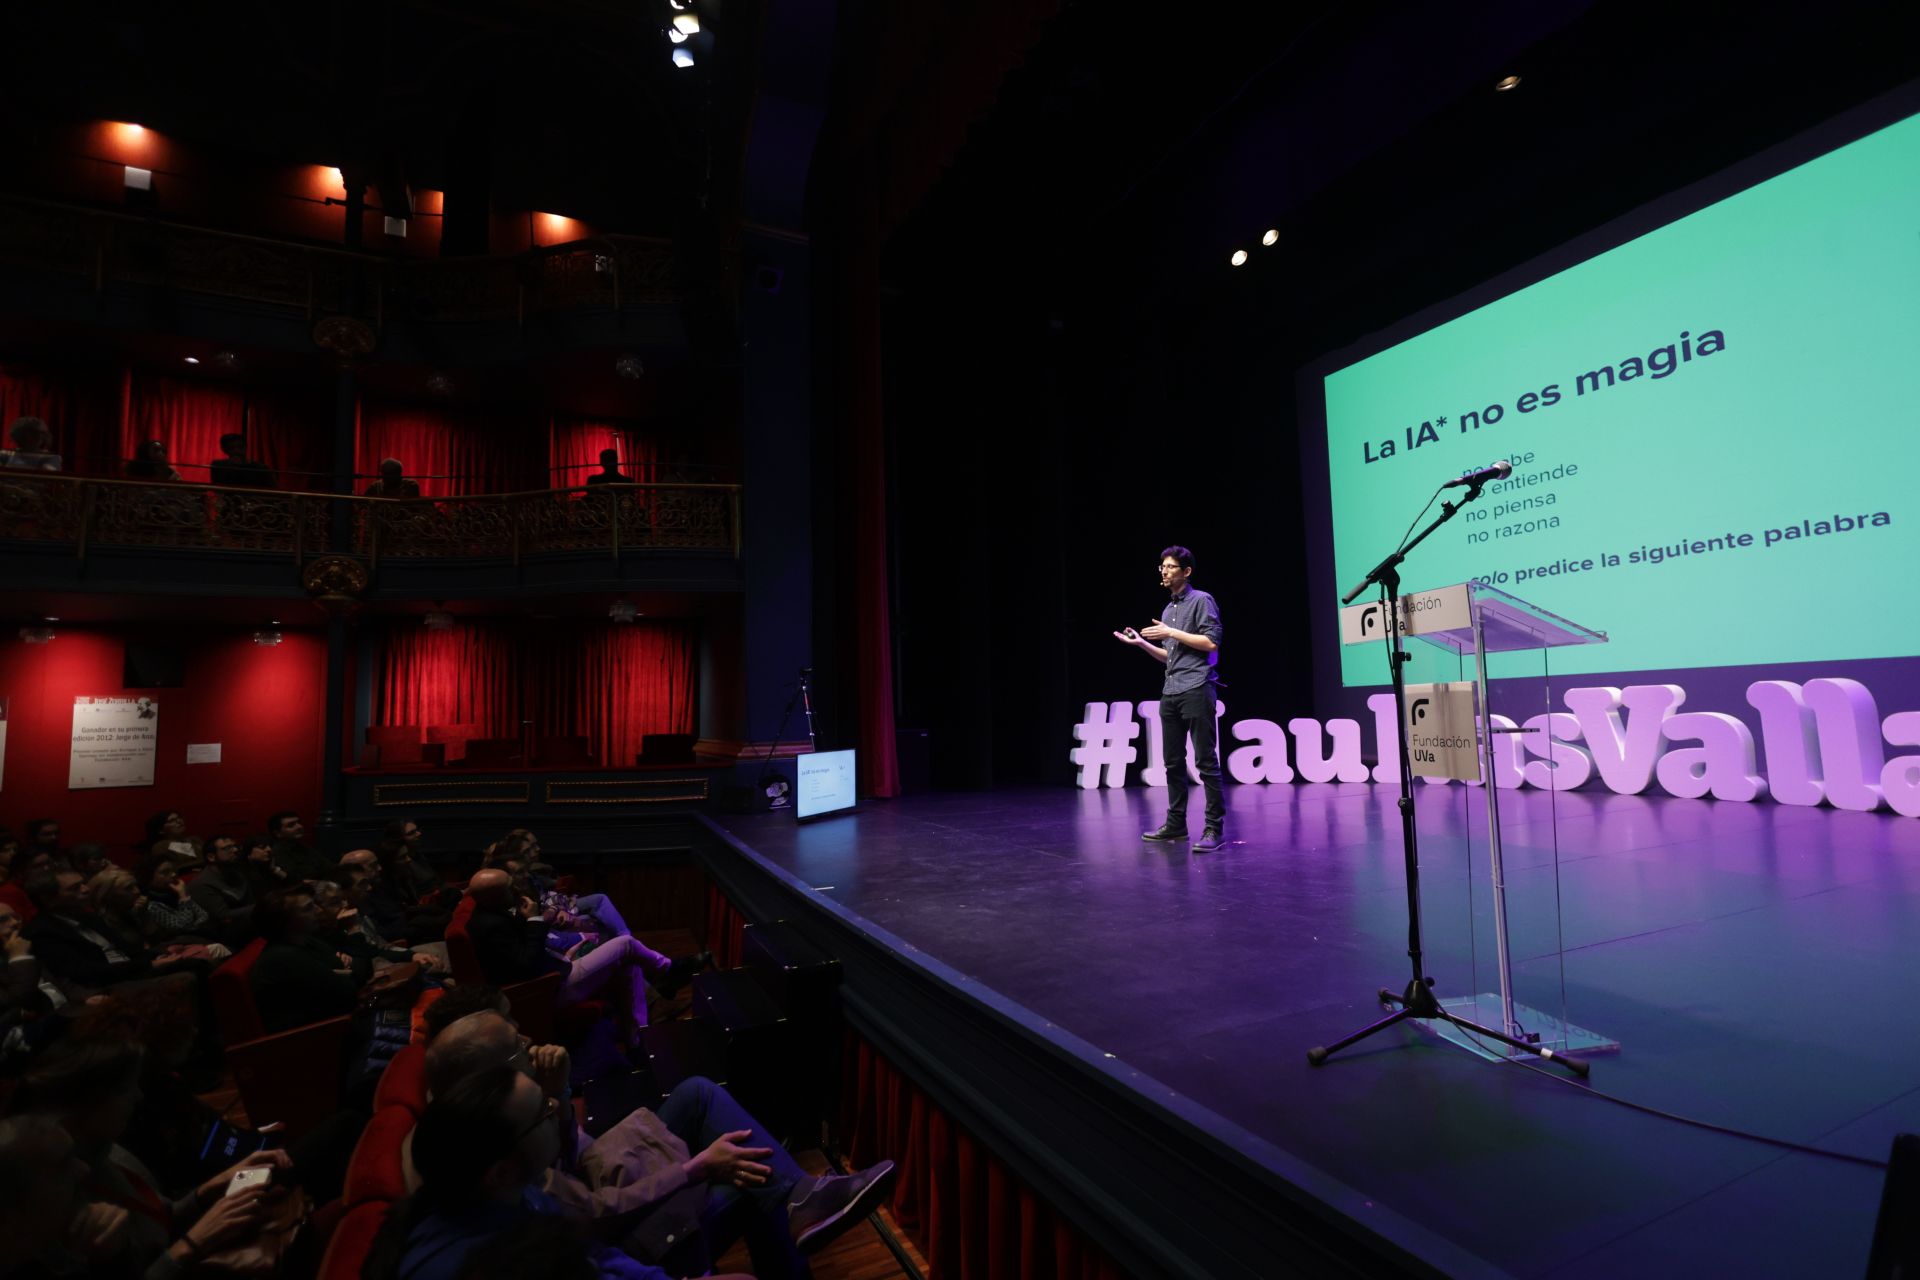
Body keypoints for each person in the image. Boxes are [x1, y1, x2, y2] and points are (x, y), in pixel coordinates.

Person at [422, 1014, 897, 1272]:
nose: (530, 1041)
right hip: (619, 1227)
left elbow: (569, 1156)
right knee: (750, 1179)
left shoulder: (483, 1125)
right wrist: (696, 1168)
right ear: (487, 1081)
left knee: (696, 1093)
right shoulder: (496, 1160)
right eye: (516, 1044)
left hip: (596, 1182)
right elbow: (597, 1215)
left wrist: (559, 1097)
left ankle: (799, 1198)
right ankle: (793, 1201)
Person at [366, 1066, 707, 1280]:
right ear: (500, 1172)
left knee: (698, 1094)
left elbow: (593, 1252)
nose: (555, 1109)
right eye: (543, 1112)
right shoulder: (497, 1266)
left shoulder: (510, 1190)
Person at [462, 870, 700, 1038]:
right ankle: (667, 968)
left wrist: (563, 950)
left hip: (557, 968)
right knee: (626, 944)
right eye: (509, 886)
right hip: (551, 987)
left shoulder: (493, 913)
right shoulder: (489, 927)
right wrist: (534, 919)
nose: (515, 888)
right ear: (494, 896)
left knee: (628, 963)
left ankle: (638, 1038)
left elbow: (527, 953)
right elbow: (526, 965)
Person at [1115, 544, 1226, 851]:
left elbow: (1211, 643)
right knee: (1173, 763)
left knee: (1205, 761)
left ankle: (1213, 829)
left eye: (1170, 566)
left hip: (1197, 687)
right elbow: (1171, 657)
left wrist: (1171, 633)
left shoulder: (1201, 600)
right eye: (1162, 566)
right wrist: (1140, 644)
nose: (1164, 571)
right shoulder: (1168, 610)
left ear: (1186, 571)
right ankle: (1176, 825)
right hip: (1171, 691)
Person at [247, 887, 363, 1033]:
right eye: (308, 908)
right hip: (319, 1036)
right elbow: (348, 993)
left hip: (339, 1022)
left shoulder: (306, 941)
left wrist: (346, 972)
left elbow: (360, 968)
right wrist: (352, 933)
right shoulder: (282, 957)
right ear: (285, 921)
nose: (319, 910)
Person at [131, 854, 218, 947]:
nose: (173, 874)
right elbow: (181, 927)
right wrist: (183, 897)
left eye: (173, 870)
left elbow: (203, 915)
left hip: (198, 937)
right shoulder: (150, 904)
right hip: (180, 945)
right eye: (165, 872)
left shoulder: (174, 892)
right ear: (148, 877)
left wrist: (192, 925)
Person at [186, 835, 256, 940]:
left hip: (245, 923)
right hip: (222, 934)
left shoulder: (237, 873)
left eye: (235, 846)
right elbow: (223, 915)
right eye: (227, 848)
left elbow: (249, 901)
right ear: (211, 857)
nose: (235, 850)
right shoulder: (201, 884)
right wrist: (260, 908)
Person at [266, 810, 334, 881]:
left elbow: (327, 866)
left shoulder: (302, 846)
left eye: (299, 822)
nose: (299, 826)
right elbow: (298, 878)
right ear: (278, 833)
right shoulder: (278, 853)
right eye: (291, 825)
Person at [207, 433, 274, 488]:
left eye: (240, 447)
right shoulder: (219, 466)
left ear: (246, 447)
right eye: (231, 448)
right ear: (225, 450)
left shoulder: (260, 467)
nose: (237, 451)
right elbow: (218, 486)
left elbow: (271, 488)